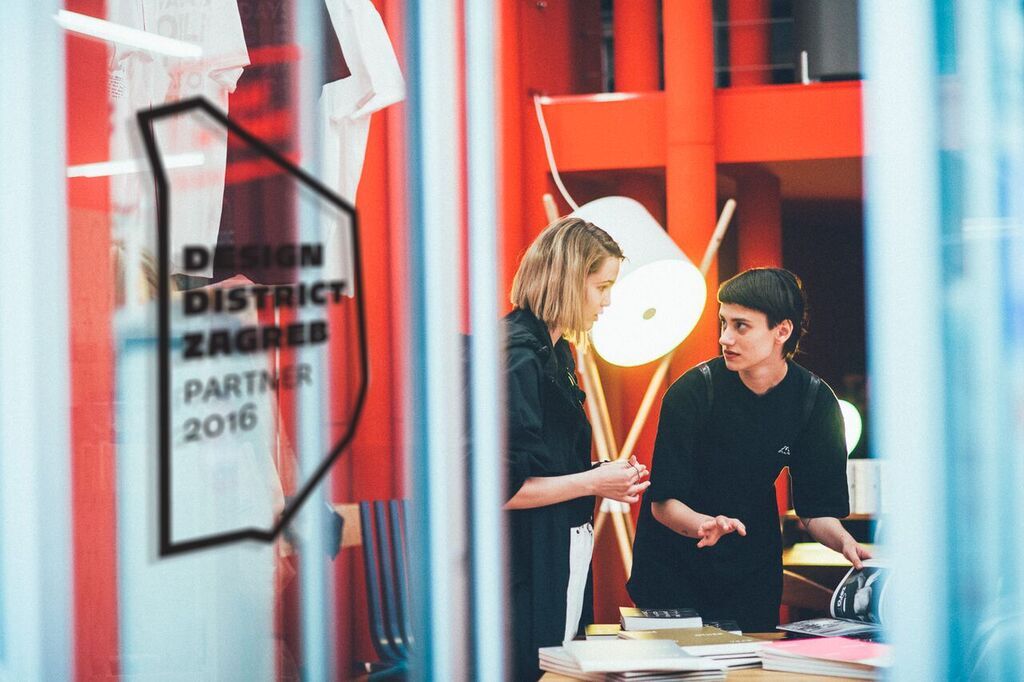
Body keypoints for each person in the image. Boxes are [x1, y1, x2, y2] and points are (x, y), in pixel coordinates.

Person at [627, 267, 871, 632]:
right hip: (673, 566)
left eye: (741, 326)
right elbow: (663, 504)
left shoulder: (815, 402)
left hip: (751, 569)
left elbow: (816, 511)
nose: (725, 338)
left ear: (782, 331)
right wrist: (704, 524)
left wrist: (844, 542)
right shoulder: (692, 392)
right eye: (723, 323)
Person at [504, 216, 650, 680]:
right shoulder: (517, 356)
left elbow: (545, 462)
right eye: (602, 287)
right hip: (521, 566)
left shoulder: (557, 351)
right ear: (569, 280)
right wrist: (592, 481)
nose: (607, 301)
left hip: (553, 552)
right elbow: (500, 487)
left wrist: (603, 475)